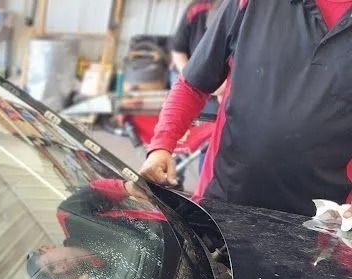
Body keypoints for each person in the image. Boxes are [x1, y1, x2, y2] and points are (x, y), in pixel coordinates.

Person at [140, 0, 352, 216]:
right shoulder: (250, 4)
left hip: (323, 225)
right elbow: (193, 84)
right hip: (223, 203)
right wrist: (162, 145)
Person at [26, 180, 174, 279]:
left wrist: (129, 188)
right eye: (59, 278)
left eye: (52, 265)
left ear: (46, 249)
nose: (62, 269)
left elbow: (98, 190)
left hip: (173, 227)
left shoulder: (71, 217)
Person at [171, 1, 221, 76]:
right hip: (186, 70)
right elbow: (178, 51)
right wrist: (189, 78)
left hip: (221, 79)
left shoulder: (239, 12)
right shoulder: (196, 8)